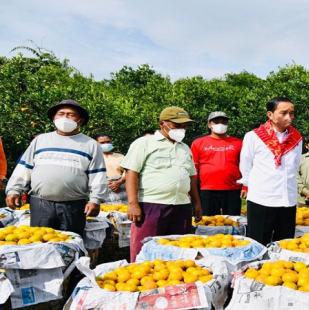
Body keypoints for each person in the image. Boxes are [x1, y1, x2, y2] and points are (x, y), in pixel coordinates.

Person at [4, 100, 107, 236]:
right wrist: (13, 190)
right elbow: (24, 167)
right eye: (61, 114)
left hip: (74, 205)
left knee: (71, 243)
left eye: (71, 115)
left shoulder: (90, 144)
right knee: (40, 243)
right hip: (41, 203)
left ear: (80, 121)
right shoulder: (40, 141)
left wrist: (95, 200)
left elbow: (98, 175)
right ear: (54, 119)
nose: (65, 117)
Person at [120, 106, 202, 261]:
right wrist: (132, 203)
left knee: (179, 250)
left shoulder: (185, 148)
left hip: (181, 205)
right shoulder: (144, 143)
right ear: (161, 123)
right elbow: (131, 172)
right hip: (152, 205)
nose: (181, 130)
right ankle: (143, 283)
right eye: (177, 126)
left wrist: (196, 203)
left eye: (184, 126)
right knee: (145, 249)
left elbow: (191, 177)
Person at [238, 97, 302, 245]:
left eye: (292, 113)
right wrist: (247, 185)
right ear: (270, 115)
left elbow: (295, 166)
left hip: (287, 199)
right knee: (259, 242)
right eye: (283, 113)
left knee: (285, 243)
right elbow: (246, 165)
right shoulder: (254, 137)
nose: (289, 117)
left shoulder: (297, 139)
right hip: (262, 198)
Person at [191, 111, 243, 216]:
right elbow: (193, 168)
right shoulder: (198, 142)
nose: (220, 124)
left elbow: (245, 166)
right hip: (206, 190)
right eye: (216, 122)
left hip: (232, 190)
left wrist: (246, 187)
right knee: (207, 222)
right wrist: (192, 190)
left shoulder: (238, 143)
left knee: (232, 222)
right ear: (209, 125)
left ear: (227, 125)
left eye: (223, 122)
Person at [94, 133, 127, 205]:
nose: (106, 144)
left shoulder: (120, 156)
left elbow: (127, 172)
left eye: (108, 142)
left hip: (121, 187)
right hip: (103, 188)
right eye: (102, 143)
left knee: (123, 209)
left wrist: (119, 182)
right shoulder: (94, 158)